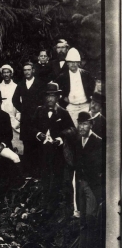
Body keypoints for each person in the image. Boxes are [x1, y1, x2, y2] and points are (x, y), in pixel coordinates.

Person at [33, 82, 74, 210]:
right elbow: (30, 127)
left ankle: (54, 206)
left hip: (57, 151)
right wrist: (38, 133)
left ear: (57, 97)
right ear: (45, 97)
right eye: (48, 96)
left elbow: (72, 129)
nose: (50, 99)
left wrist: (61, 138)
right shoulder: (39, 110)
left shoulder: (63, 112)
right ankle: (44, 204)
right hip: (42, 150)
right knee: (44, 176)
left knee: (57, 177)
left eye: (53, 96)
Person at [70, 111, 104, 248]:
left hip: (92, 185)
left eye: (84, 124)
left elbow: (101, 167)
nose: (81, 127)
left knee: (90, 216)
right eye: (80, 124)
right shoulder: (78, 141)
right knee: (83, 218)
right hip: (80, 184)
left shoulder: (98, 142)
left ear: (91, 125)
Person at [12, 62, 46, 178]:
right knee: (27, 144)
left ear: (33, 70)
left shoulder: (40, 84)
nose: (27, 72)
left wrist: (40, 110)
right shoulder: (21, 84)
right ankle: (28, 173)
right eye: (25, 70)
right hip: (26, 119)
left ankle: (38, 173)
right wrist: (23, 109)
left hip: (38, 118)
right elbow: (15, 100)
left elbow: (44, 100)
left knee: (38, 143)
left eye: (29, 69)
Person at [57, 47, 95, 126]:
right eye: (71, 62)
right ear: (67, 63)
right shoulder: (62, 77)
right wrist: (63, 97)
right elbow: (58, 92)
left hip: (85, 106)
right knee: (73, 128)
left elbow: (92, 89)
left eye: (75, 62)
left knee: (85, 127)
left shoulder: (86, 74)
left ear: (78, 63)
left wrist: (91, 102)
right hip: (71, 107)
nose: (73, 64)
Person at [0, 95, 21, 165]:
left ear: (1, 103)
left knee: (15, 158)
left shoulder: (5, 115)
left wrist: (2, 145)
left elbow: (9, 134)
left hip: (3, 145)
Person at [0, 64, 21, 153]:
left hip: (14, 118)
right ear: (1, 74)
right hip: (2, 118)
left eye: (8, 72)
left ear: (11, 74)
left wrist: (18, 115)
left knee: (16, 142)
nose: (6, 74)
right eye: (4, 72)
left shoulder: (16, 86)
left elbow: (19, 101)